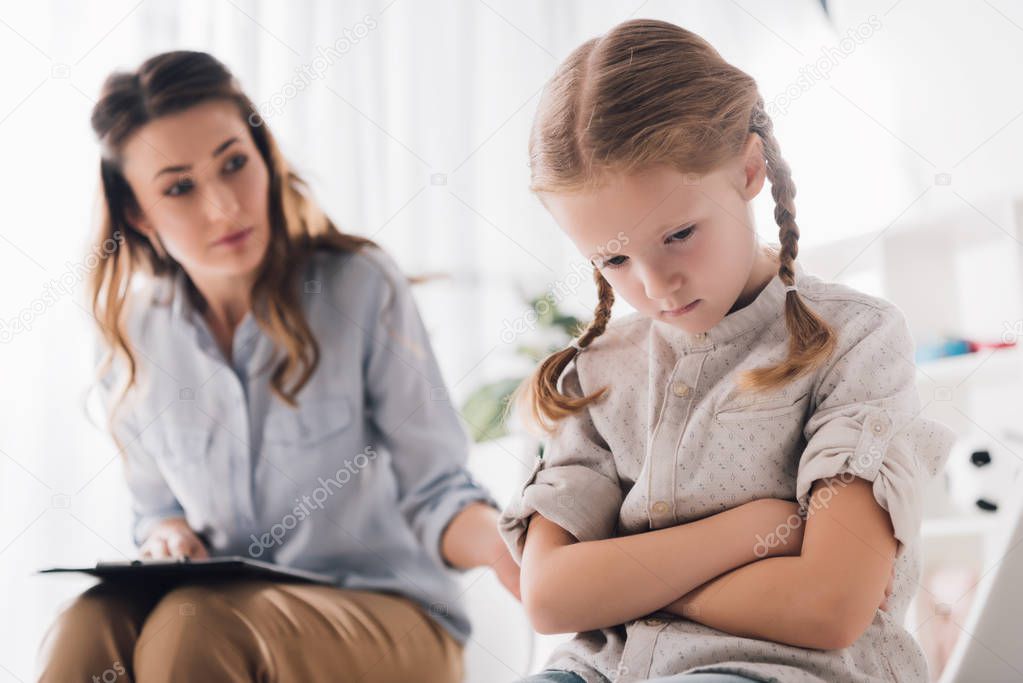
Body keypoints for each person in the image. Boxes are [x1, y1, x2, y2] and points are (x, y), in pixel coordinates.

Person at [37, 50, 518, 683]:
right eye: (179, 187)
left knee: (195, 625)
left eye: (234, 164)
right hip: (222, 607)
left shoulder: (359, 288)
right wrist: (167, 534)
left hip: (391, 615)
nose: (224, 207)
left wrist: (524, 557)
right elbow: (156, 509)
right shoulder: (133, 335)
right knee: (89, 621)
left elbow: (436, 491)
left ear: (264, 157)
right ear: (138, 216)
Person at [500, 19, 956, 683]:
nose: (654, 286)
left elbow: (827, 604)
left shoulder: (856, 340)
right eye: (613, 259)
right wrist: (750, 532)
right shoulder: (597, 371)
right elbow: (548, 597)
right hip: (604, 668)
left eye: (679, 234)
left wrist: (627, 573)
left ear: (747, 169)